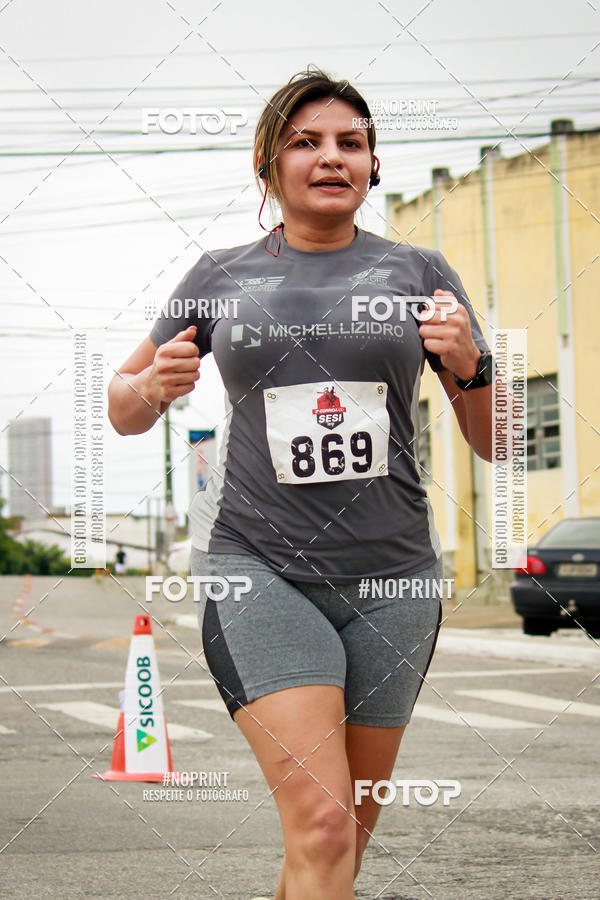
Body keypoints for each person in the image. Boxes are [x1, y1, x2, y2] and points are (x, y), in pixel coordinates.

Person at [108, 66, 495, 899]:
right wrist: (153, 387)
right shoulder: (221, 277)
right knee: (321, 825)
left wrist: (473, 363)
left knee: (340, 840)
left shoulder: (419, 272)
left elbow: (494, 439)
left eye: (350, 143)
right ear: (269, 168)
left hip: (394, 581)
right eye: (305, 142)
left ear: (373, 166)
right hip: (261, 571)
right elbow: (122, 410)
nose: (331, 157)